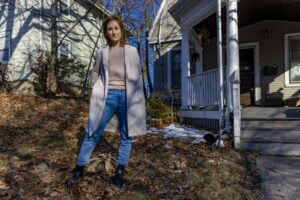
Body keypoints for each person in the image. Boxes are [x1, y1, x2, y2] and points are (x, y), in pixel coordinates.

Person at [71, 15, 147, 188]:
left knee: (127, 135)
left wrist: (138, 98)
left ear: (121, 30)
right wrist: (94, 90)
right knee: (93, 130)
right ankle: (80, 166)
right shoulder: (102, 52)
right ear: (106, 32)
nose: (113, 32)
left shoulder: (132, 51)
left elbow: (137, 77)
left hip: (128, 97)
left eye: (116, 28)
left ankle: (120, 169)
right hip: (108, 96)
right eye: (109, 29)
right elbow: (95, 73)